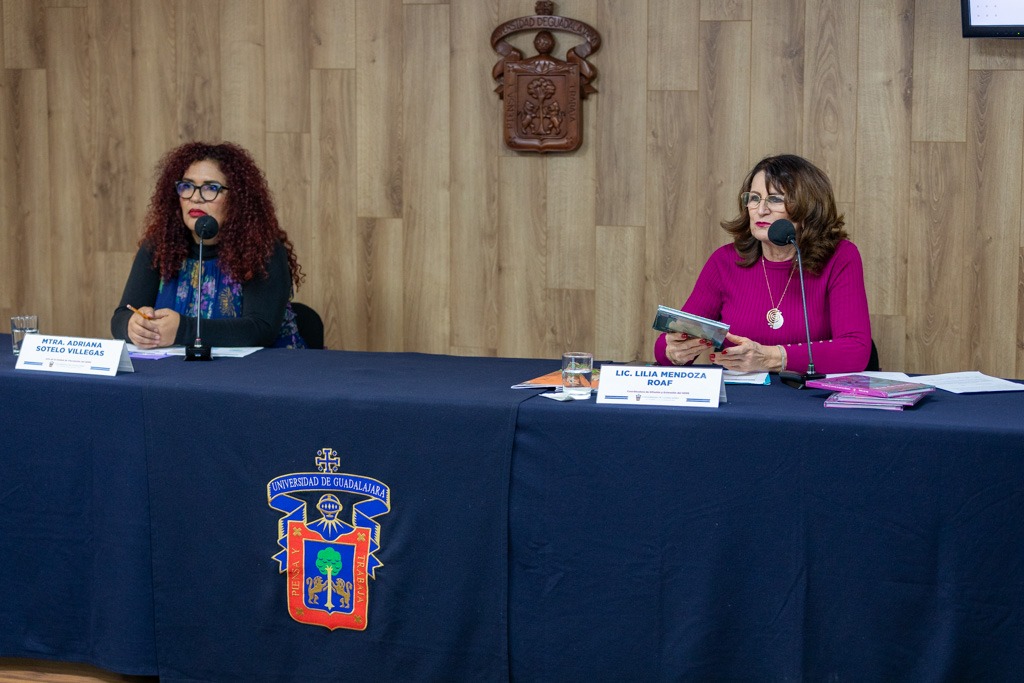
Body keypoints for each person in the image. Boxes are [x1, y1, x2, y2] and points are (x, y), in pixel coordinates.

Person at [654, 154, 871, 374]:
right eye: (754, 198)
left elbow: (856, 351)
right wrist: (674, 351)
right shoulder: (725, 261)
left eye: (775, 199)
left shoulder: (840, 257)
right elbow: (665, 347)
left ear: (808, 209)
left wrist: (769, 358)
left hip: (808, 400)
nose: (760, 210)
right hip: (738, 400)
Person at [111, 141, 306, 349]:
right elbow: (121, 316)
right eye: (186, 186)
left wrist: (183, 330)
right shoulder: (159, 247)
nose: (195, 197)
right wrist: (133, 326)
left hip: (261, 373)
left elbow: (259, 330)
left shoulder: (261, 249)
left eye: (210, 188)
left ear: (237, 198)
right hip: (178, 374)